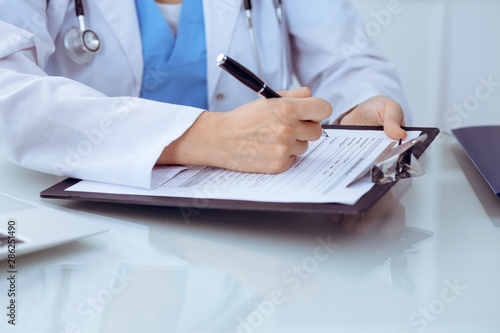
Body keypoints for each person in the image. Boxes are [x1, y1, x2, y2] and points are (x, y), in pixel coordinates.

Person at [0, 0, 408, 189]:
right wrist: (207, 138)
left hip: (253, 218)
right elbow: (7, 91)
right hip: (79, 215)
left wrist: (357, 107)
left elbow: (347, 60)